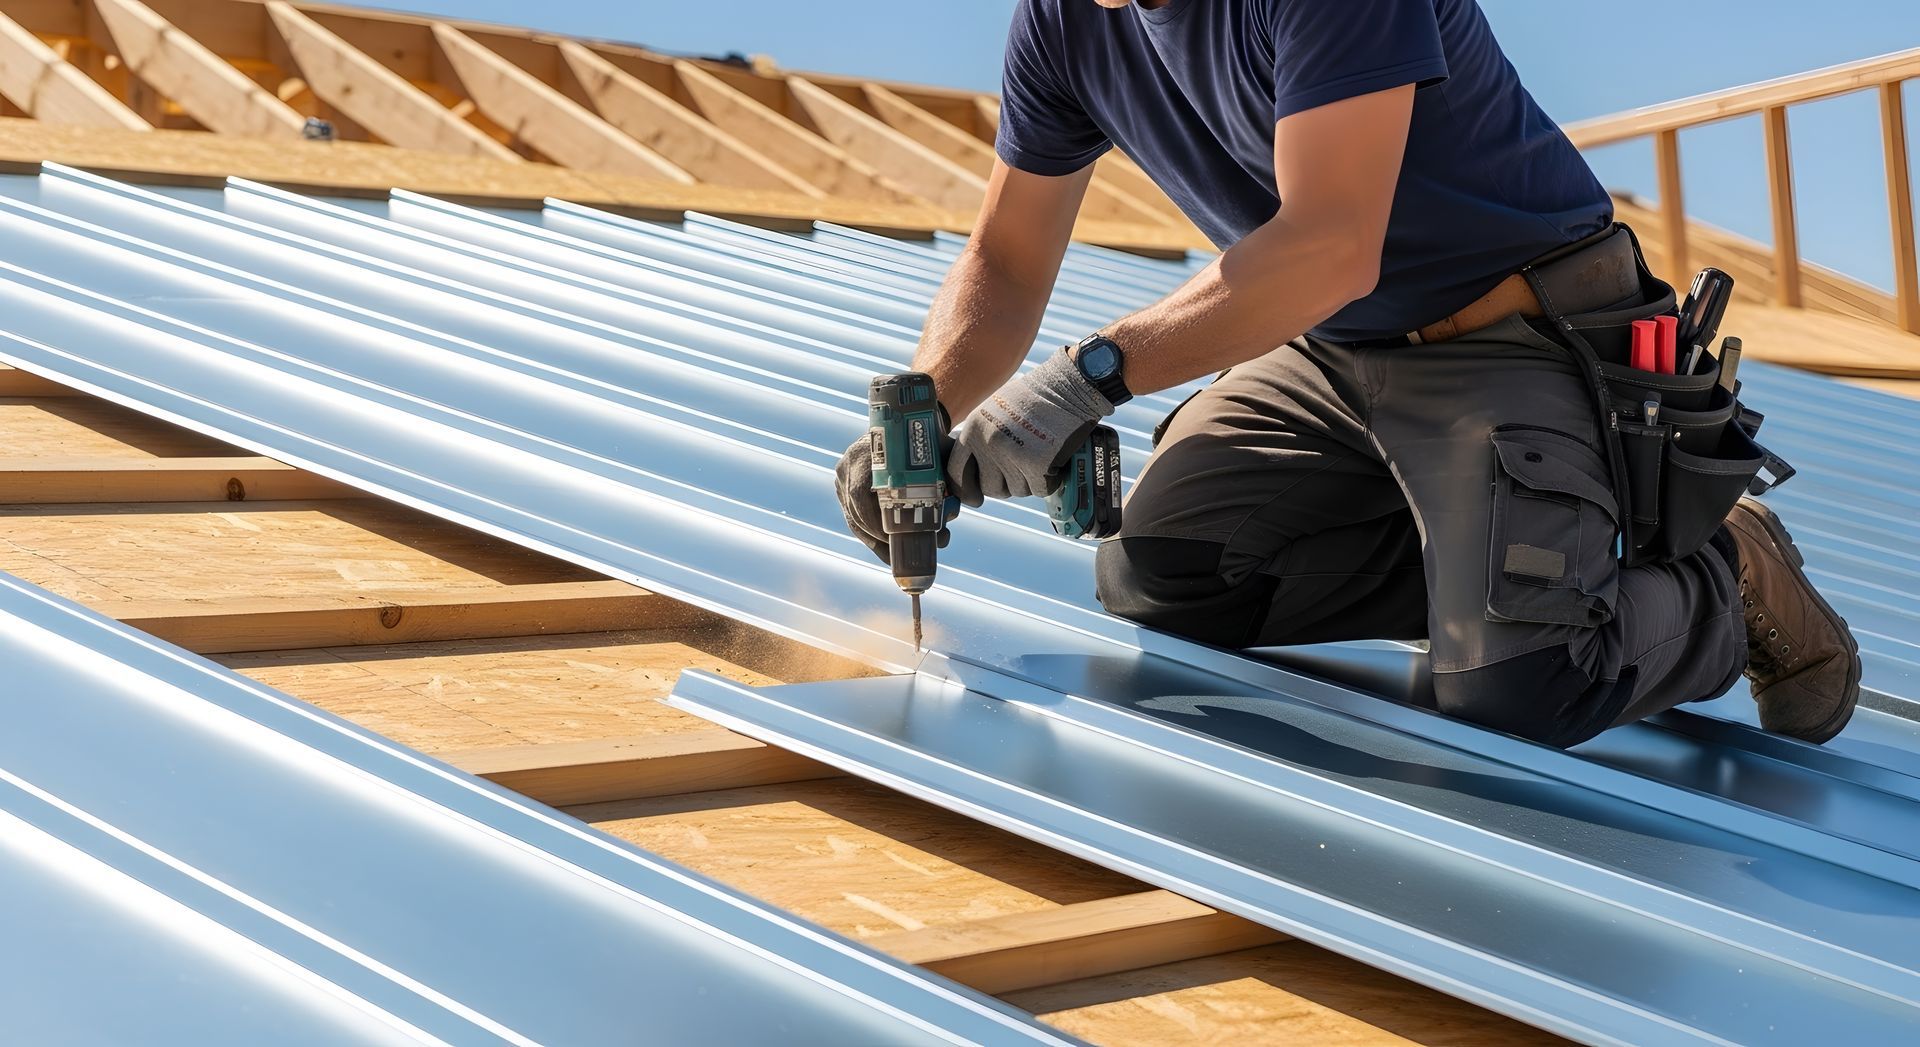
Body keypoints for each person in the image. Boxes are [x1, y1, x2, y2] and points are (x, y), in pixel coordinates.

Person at [836, 0, 1860, 747]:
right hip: (1336, 353)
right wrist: (920, 421)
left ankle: (1729, 570)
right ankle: (1510, 570)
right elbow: (1006, 263)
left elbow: (1331, 244)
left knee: (1523, 687)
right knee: (1162, 575)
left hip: (1515, 333)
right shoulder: (1062, 22)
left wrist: (1089, 377)